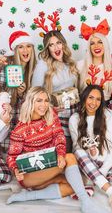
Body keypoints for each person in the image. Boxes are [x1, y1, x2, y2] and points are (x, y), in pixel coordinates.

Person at [6, 86, 108, 213]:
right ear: (31, 102)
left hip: (48, 168)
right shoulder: (20, 130)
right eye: (39, 101)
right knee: (70, 157)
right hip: (29, 176)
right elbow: (11, 156)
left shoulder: (51, 116)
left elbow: (59, 137)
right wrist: (15, 169)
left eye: (46, 100)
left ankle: (28, 196)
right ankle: (86, 203)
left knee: (76, 185)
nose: (43, 105)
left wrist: (60, 154)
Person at [69, 84, 112, 211]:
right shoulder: (75, 119)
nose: (94, 102)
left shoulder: (108, 115)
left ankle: (89, 183)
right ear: (84, 98)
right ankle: (111, 193)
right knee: (78, 151)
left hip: (106, 164)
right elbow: (77, 149)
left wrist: (103, 171)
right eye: (90, 97)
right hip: (85, 165)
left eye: (98, 99)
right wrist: (91, 151)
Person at [32, 12, 79, 152]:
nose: (56, 48)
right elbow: (34, 92)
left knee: (75, 149)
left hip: (73, 112)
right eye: (51, 45)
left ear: (63, 45)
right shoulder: (43, 64)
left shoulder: (70, 63)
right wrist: (49, 107)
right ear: (47, 48)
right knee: (62, 150)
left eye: (58, 43)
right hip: (55, 114)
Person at [78, 19, 112, 104]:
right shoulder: (80, 65)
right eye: (92, 43)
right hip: (85, 109)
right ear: (89, 47)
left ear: (105, 45)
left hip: (105, 110)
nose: (96, 46)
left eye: (100, 42)